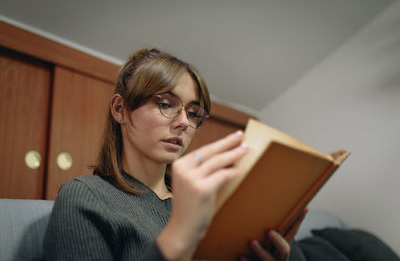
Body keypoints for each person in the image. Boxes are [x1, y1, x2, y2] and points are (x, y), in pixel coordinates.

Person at [43, 47, 305, 261]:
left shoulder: (207, 203)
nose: (183, 123)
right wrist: (178, 236)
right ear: (120, 109)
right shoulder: (86, 196)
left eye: (193, 113)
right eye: (166, 104)